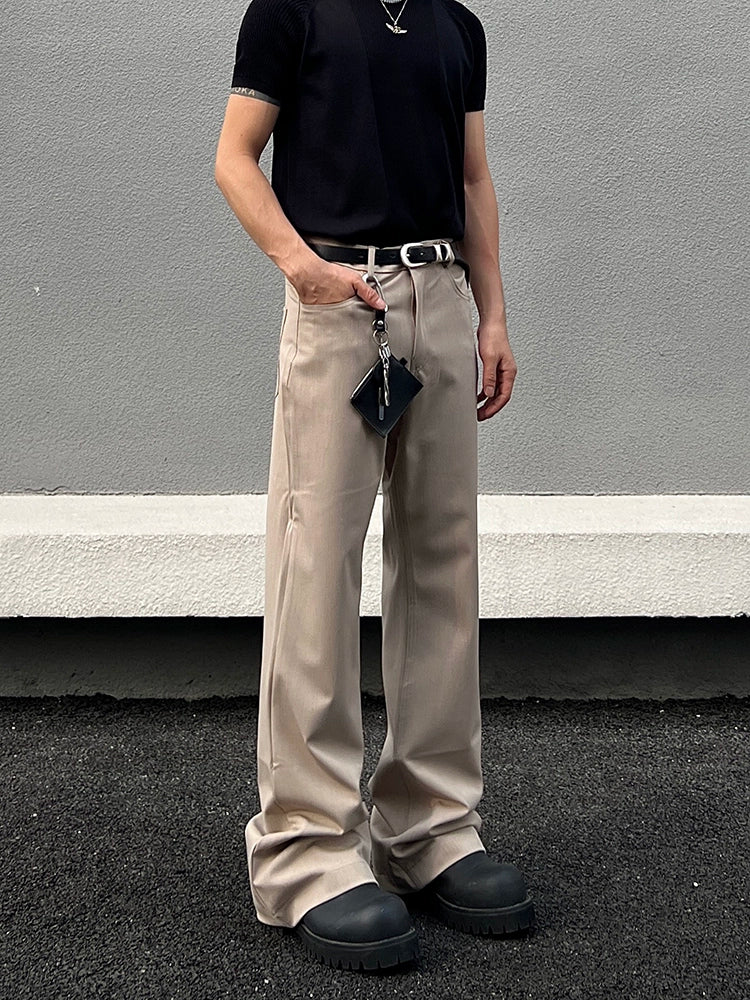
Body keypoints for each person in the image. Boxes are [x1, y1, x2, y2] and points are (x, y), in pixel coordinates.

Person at [214, 0, 532, 972]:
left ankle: (430, 826)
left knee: (442, 563)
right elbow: (235, 158)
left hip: (441, 298)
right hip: (341, 304)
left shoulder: (457, 26)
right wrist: (302, 269)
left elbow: (472, 177)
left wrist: (491, 315)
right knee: (315, 567)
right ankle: (307, 848)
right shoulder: (291, 12)